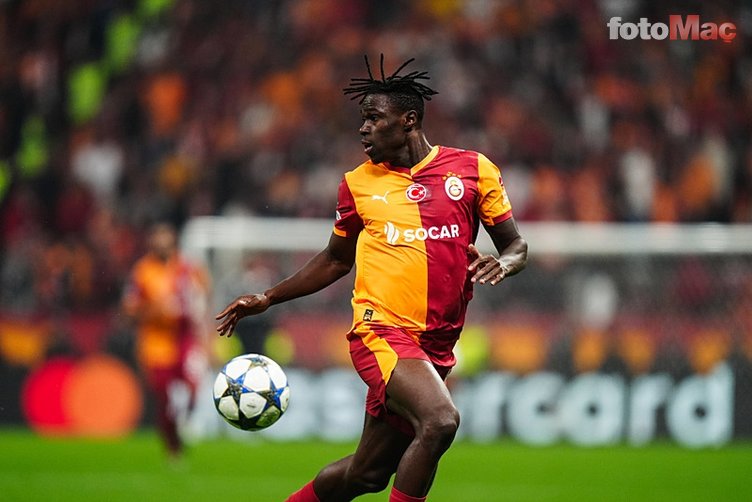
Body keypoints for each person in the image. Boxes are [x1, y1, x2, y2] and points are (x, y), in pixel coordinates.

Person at [216, 55, 528, 502]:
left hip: (436, 344)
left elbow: (515, 245)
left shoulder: (473, 170)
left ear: (408, 120)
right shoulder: (358, 184)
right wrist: (268, 297)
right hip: (380, 331)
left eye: (373, 118)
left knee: (367, 474)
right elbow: (335, 260)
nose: (363, 129)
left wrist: (506, 262)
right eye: (362, 119)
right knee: (441, 420)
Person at [122, 222, 210, 461]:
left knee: (194, 385)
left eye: (167, 241)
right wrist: (155, 310)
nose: (163, 246)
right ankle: (173, 446)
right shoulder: (142, 271)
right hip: (156, 344)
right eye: (158, 242)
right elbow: (129, 311)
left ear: (174, 243)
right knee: (164, 398)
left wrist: (206, 337)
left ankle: (188, 422)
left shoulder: (188, 268)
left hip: (186, 338)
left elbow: (203, 300)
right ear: (152, 244)